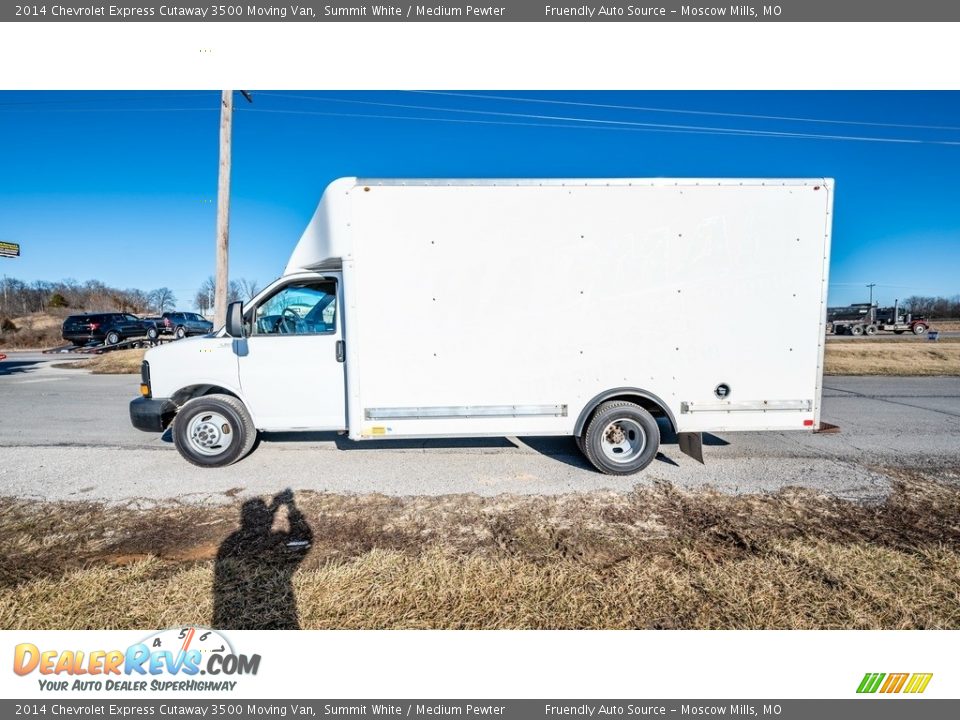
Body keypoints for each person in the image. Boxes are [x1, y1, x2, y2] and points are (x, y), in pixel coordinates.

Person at [212, 488, 313, 629]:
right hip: (277, 610)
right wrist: (292, 510)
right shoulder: (234, 543)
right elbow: (305, 542)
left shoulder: (230, 543)